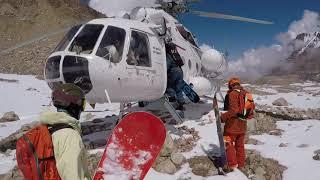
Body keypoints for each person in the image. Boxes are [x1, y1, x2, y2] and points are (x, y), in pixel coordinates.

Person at [40, 83, 90, 180]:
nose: (82, 109)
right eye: (82, 104)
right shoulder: (69, 136)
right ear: (75, 104)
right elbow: (72, 175)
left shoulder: (49, 127)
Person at [220, 77, 254, 172]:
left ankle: (232, 165)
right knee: (240, 145)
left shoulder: (232, 94)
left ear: (230, 85)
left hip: (232, 126)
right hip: (243, 125)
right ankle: (241, 165)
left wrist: (223, 117)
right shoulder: (247, 94)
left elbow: (233, 111)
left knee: (228, 143)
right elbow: (250, 111)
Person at [165, 42, 185, 111]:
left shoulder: (168, 55)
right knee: (178, 88)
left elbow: (167, 65)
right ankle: (181, 103)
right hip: (180, 71)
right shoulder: (176, 54)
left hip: (174, 71)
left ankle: (172, 99)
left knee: (170, 85)